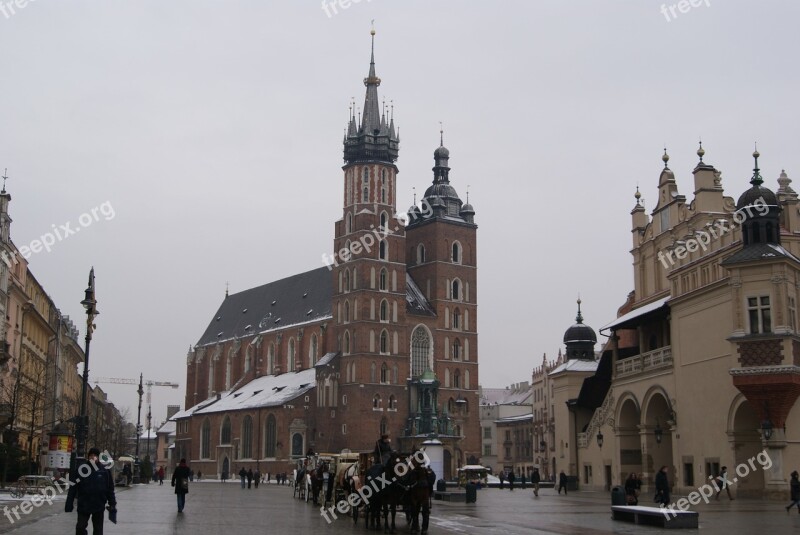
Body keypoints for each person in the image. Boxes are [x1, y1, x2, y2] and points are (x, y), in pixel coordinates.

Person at [65, 447, 117, 535]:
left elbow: (109, 489)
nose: (93, 457)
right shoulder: (82, 470)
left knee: (98, 530)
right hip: (84, 504)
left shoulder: (104, 471)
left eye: (95, 456)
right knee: (80, 528)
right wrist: (69, 504)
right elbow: (73, 487)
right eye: (91, 456)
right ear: (88, 457)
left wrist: (112, 503)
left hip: (99, 505)